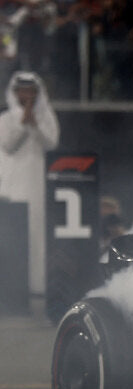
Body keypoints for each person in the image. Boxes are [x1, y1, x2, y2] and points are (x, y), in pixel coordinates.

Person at [0, 72, 59, 296]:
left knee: (36, 233)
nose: (26, 95)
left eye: (31, 90)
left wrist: (35, 124)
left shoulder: (46, 116)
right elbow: (8, 145)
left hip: (34, 183)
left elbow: (51, 142)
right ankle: (11, 285)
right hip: (11, 184)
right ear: (15, 93)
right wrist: (24, 121)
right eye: (22, 90)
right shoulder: (5, 118)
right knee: (10, 234)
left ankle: (36, 284)